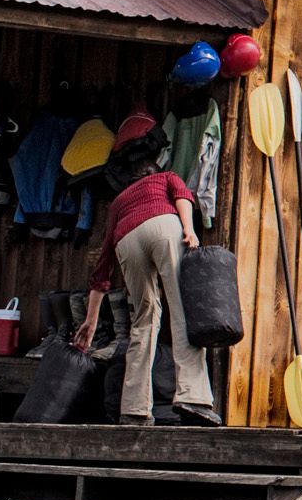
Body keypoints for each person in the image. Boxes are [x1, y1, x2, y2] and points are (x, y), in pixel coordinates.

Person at [71, 114, 220, 426]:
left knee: (143, 320)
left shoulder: (118, 202)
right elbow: (183, 196)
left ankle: (134, 409)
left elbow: (103, 268)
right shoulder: (165, 177)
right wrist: (189, 230)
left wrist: (90, 320)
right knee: (181, 310)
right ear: (154, 172)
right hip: (165, 226)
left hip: (128, 239)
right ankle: (193, 397)